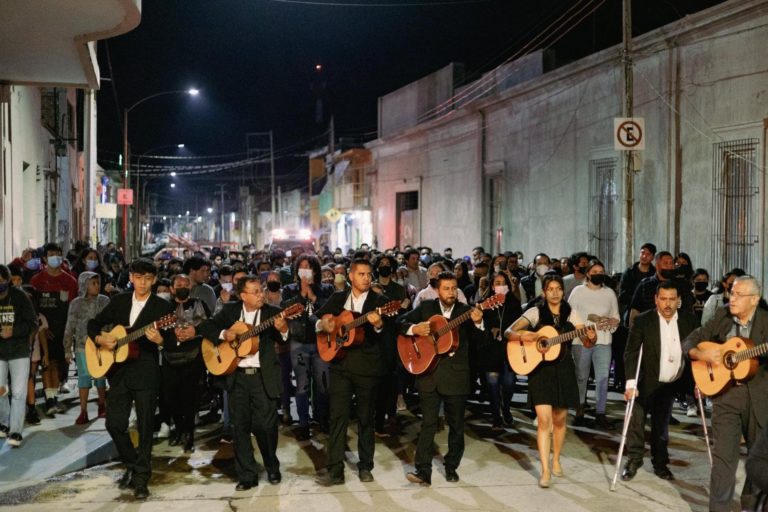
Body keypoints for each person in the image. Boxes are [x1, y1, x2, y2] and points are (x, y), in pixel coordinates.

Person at [86, 258, 176, 500]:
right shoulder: (120, 301)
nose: (142, 283)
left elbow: (172, 342)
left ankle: (141, 480)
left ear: (154, 280)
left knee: (146, 428)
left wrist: (160, 341)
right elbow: (93, 324)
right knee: (114, 424)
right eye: (138, 278)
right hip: (118, 373)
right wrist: (100, 339)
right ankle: (133, 464)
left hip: (146, 373)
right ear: (131, 278)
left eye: (148, 279)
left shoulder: (162, 309)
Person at [683, 275, 768, 512]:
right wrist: (702, 355)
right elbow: (691, 340)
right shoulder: (722, 316)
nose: (732, 298)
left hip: (759, 397)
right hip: (726, 395)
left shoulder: (766, 321)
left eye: (739, 295)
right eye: (731, 292)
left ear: (755, 299)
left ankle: (751, 506)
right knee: (723, 459)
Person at [197, 275, 289, 491]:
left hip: (261, 377)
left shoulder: (272, 313)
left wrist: (283, 328)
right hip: (237, 376)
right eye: (255, 292)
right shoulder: (230, 311)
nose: (261, 295)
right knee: (240, 427)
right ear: (243, 295)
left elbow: (283, 339)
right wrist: (224, 333)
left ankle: (271, 466)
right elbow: (206, 327)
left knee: (266, 426)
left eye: (262, 290)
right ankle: (246, 474)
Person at [505, 274, 596, 488]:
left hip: (564, 369)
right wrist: (524, 336)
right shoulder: (535, 312)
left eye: (558, 289)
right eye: (550, 289)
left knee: (560, 419)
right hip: (541, 370)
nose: (555, 293)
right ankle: (545, 470)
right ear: (544, 292)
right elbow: (509, 331)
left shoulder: (571, 313)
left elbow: (587, 342)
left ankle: (556, 459)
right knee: (544, 421)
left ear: (563, 291)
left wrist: (591, 336)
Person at [398, 271, 486, 485]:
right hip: (429, 374)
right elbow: (400, 322)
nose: (451, 293)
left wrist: (479, 323)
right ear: (437, 290)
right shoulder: (427, 308)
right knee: (428, 424)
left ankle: (451, 466)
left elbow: (481, 344)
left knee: (456, 425)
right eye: (446, 288)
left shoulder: (466, 312)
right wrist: (414, 328)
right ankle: (423, 471)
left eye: (454, 288)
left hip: (456, 377)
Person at [313, 258, 390, 486]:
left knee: (366, 418)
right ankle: (335, 470)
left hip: (367, 367)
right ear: (351, 276)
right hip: (340, 365)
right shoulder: (338, 298)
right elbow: (316, 318)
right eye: (362, 274)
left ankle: (365, 466)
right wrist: (322, 325)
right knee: (338, 417)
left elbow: (387, 333)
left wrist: (378, 325)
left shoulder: (380, 301)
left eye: (369, 274)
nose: (366, 278)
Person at [620, 281, 699, 482]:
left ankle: (660, 463)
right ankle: (634, 460)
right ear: (656, 299)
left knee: (661, 427)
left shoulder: (689, 321)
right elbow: (631, 352)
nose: (667, 304)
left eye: (672, 299)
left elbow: (698, 352)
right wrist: (631, 383)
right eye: (663, 299)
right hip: (644, 381)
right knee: (636, 423)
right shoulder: (643, 321)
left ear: (679, 301)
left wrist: (699, 382)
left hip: (670, 382)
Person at [281, 254, 334, 440]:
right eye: (301, 267)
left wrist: (312, 296)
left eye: (308, 267)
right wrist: (301, 295)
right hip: (299, 342)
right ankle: (303, 422)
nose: (305, 270)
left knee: (323, 385)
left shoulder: (327, 289)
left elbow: (330, 310)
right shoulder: (288, 290)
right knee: (302, 385)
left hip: (321, 343)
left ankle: (322, 419)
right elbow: (286, 310)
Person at [567, 260, 620, 428]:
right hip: (581, 340)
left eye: (601, 271)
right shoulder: (578, 291)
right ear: (588, 273)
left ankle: (600, 412)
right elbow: (570, 315)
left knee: (603, 377)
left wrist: (612, 321)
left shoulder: (609, 293)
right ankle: (580, 408)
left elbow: (616, 316)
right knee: (581, 376)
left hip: (604, 340)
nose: (598, 273)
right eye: (595, 271)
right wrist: (583, 329)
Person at [162, 273, 210, 453]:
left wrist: (195, 331)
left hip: (194, 355)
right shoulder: (164, 306)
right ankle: (179, 427)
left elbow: (210, 325)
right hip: (170, 356)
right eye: (179, 284)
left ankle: (189, 432)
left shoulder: (200, 304)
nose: (183, 286)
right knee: (171, 396)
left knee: (190, 397)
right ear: (172, 288)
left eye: (186, 283)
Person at [30, 242, 78, 415]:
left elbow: (73, 308)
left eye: (58, 254)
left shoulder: (70, 281)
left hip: (63, 330)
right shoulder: (36, 281)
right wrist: (42, 328)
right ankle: (50, 401)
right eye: (51, 254)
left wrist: (69, 331)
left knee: (58, 365)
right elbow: (34, 308)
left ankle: (53, 396)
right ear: (44, 258)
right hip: (42, 332)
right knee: (46, 364)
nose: (55, 257)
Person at [62, 271, 110, 425]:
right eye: (93, 283)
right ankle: (83, 411)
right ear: (84, 285)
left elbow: (111, 322)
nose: (97, 286)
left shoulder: (105, 301)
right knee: (83, 377)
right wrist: (67, 348)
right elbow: (70, 326)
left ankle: (102, 405)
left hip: (101, 344)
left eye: (98, 283)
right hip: (82, 346)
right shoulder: (76, 303)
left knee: (100, 376)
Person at [477, 272, 521, 430]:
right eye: (497, 282)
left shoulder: (514, 304)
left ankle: (506, 407)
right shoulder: (483, 303)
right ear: (492, 286)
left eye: (503, 282)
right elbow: (477, 327)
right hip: (490, 350)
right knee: (493, 384)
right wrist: (490, 329)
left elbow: (521, 325)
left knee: (509, 382)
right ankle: (496, 416)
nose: (500, 285)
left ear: (508, 285)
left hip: (509, 349)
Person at [0, 265, 38, 446]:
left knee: (18, 392)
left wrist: (13, 332)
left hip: (19, 351)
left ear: (7, 280)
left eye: (1, 281)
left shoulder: (20, 297)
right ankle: (4, 422)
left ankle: (15, 431)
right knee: (0, 390)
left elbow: (32, 323)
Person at [618, 243, 656, 326]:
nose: (644, 256)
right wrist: (637, 300)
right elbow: (622, 296)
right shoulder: (629, 273)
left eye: (648, 254)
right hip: (631, 310)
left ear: (653, 257)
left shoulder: (655, 274)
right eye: (642, 253)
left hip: (651, 312)